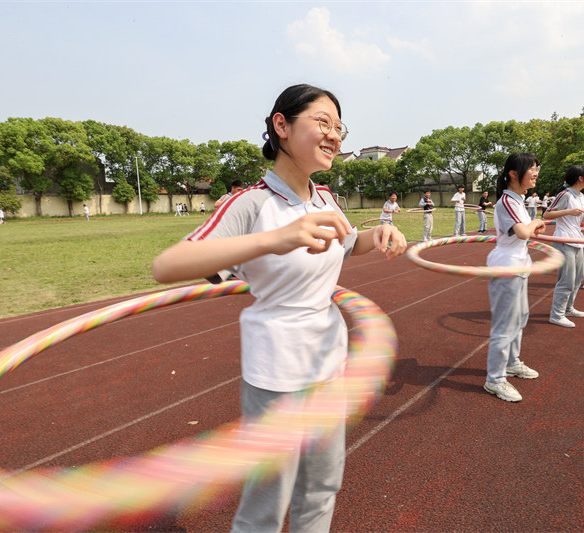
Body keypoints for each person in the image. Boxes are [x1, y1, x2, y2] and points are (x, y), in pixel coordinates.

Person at [151, 84, 407, 533]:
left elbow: (347, 245)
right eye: (322, 122)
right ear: (282, 126)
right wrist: (276, 238)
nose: (335, 136)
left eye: (340, 127)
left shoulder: (325, 197)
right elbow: (167, 265)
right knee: (267, 504)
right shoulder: (250, 203)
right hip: (276, 373)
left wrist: (379, 235)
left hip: (329, 362)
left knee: (322, 488)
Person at [483, 152, 544, 402]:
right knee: (505, 326)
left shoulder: (518, 199)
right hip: (506, 266)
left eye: (536, 169)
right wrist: (536, 222)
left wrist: (534, 227)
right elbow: (520, 232)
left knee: (520, 318)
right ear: (513, 174)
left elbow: (523, 233)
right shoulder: (507, 201)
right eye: (532, 169)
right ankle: (494, 380)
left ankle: (512, 363)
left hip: (520, 263)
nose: (536, 173)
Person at [543, 165, 584, 328]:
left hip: (577, 239)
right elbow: (547, 214)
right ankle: (556, 314)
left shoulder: (581, 196)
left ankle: (567, 308)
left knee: (578, 277)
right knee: (566, 279)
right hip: (563, 239)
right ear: (580, 178)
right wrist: (568, 211)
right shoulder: (565, 194)